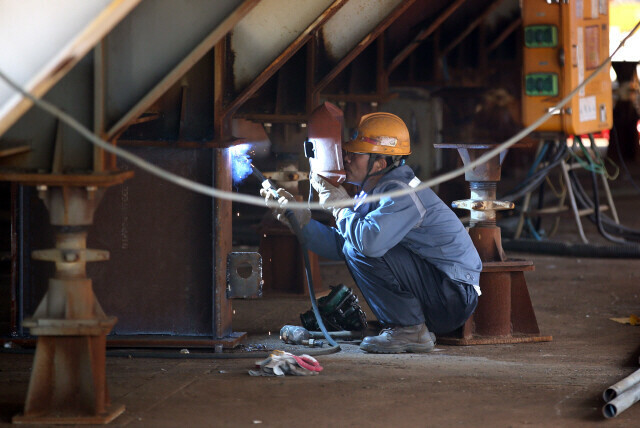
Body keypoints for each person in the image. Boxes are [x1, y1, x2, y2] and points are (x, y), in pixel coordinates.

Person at [262, 112, 482, 353]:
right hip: (439, 289)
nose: (346, 158)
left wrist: (339, 207)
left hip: (452, 295)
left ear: (380, 163)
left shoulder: (400, 193)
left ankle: (408, 330)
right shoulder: (373, 192)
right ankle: (408, 326)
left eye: (356, 154)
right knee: (355, 243)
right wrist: (300, 221)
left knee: (364, 243)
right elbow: (341, 247)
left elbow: (367, 244)